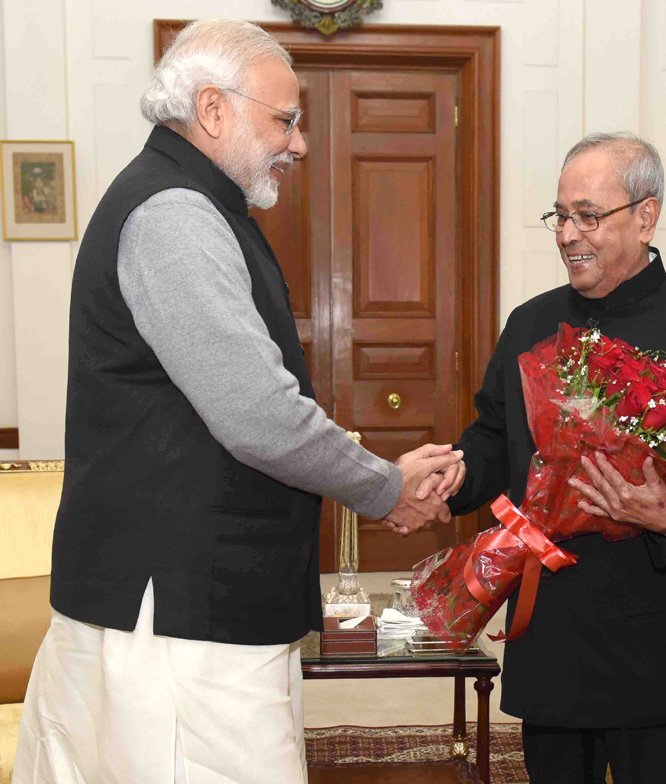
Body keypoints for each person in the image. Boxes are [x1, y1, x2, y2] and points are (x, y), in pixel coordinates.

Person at [13, 19, 464, 784]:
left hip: (191, 608)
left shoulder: (195, 205)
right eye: (284, 119)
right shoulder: (176, 216)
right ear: (214, 110)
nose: (297, 144)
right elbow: (256, 412)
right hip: (184, 617)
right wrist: (384, 486)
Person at [447, 132, 666, 783]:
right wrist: (451, 474)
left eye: (588, 215)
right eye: (560, 216)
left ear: (646, 215)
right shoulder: (529, 324)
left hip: (661, 644)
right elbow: (494, 437)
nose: (568, 234)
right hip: (553, 640)